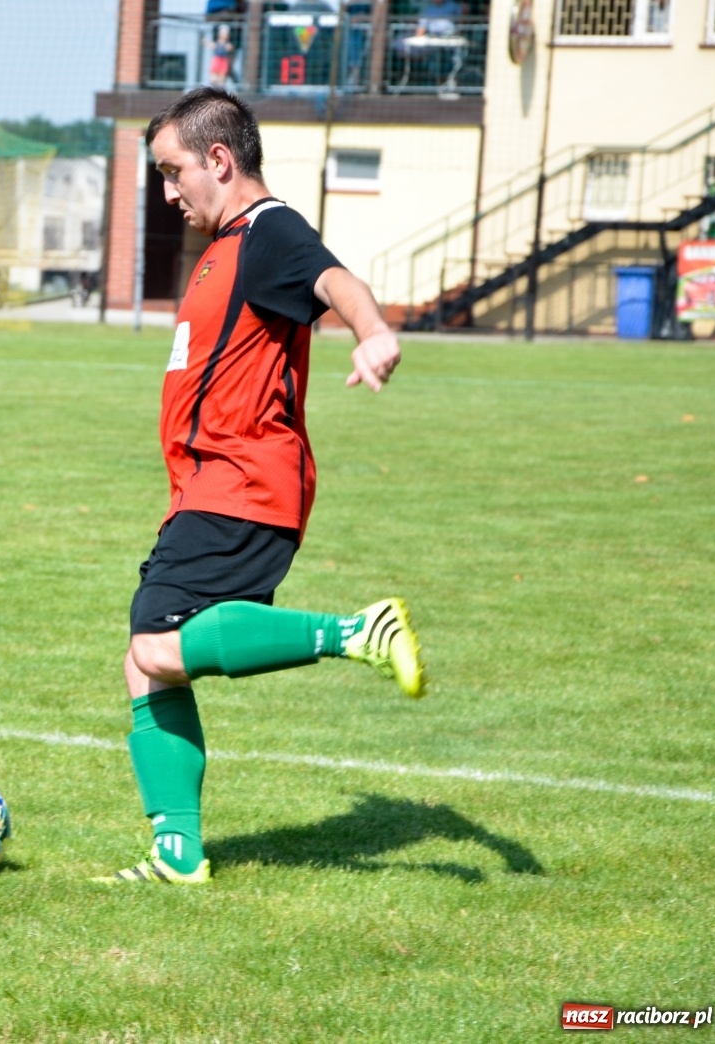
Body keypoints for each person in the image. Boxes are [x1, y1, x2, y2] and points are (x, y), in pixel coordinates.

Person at [93, 88, 426, 886]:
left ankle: (357, 631)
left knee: (155, 648)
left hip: (242, 481)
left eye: (172, 171)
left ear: (219, 159)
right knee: (146, 664)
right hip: (207, 486)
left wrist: (374, 331)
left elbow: (337, 281)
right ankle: (177, 853)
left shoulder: (270, 230)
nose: (167, 192)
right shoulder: (227, 244)